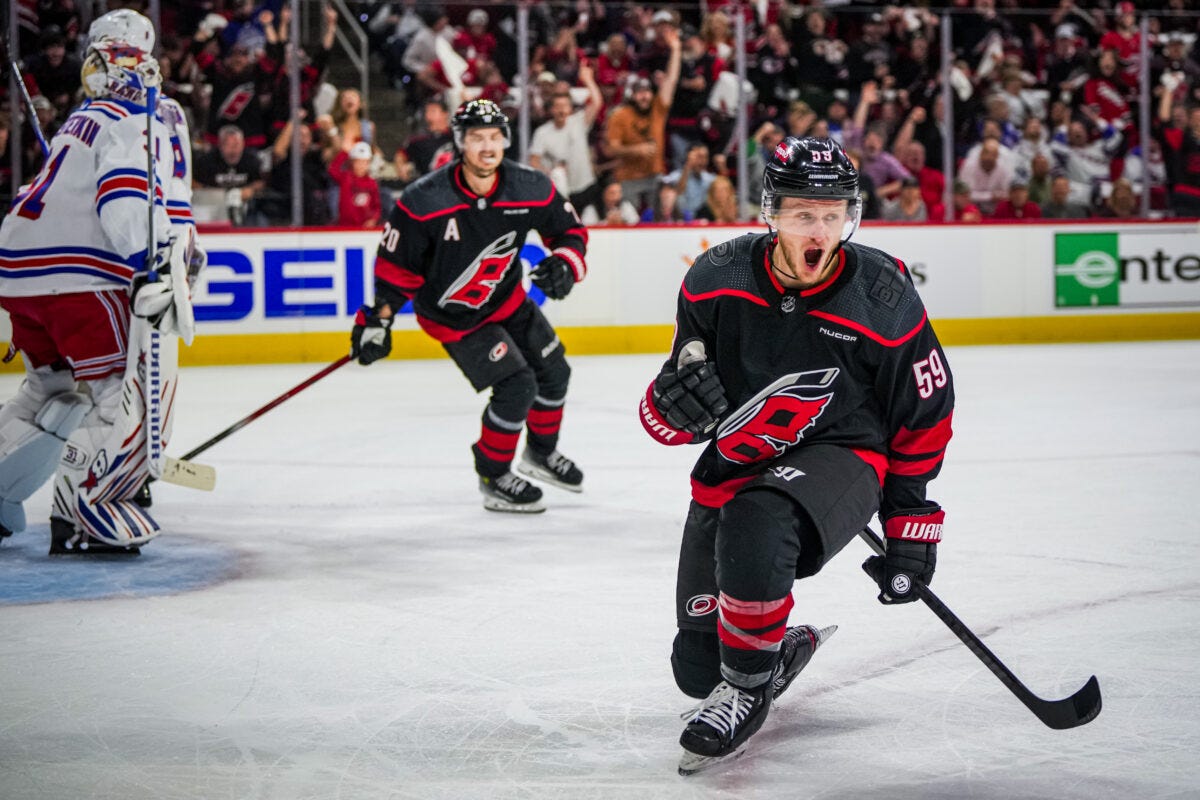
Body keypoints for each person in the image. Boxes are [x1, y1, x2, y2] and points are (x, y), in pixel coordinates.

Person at [638, 136, 954, 772]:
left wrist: (911, 525)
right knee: (699, 669)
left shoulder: (882, 295)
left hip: (846, 452)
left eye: (833, 214)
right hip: (742, 457)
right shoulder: (714, 280)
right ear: (772, 213)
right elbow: (687, 392)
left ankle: (751, 688)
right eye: (804, 214)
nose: (820, 229)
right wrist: (665, 411)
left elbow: (925, 411)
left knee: (759, 522)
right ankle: (772, 652)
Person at [0, 9, 202, 555]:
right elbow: (126, 193)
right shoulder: (144, 115)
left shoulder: (80, 119)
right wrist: (151, 261)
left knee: (49, 387)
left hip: (18, 273)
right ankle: (88, 506)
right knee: (117, 387)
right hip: (77, 277)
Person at [350, 100, 589, 513]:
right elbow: (394, 269)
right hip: (454, 319)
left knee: (555, 372)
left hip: (508, 300)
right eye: (477, 138)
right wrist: (378, 321)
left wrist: (566, 264)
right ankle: (494, 475)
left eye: (495, 137)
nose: (487, 147)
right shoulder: (424, 200)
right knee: (517, 386)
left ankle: (540, 453)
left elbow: (569, 231)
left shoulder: (529, 186)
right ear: (461, 142)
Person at [604, 25, 682, 213]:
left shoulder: (657, 108)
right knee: (628, 218)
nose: (645, 97)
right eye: (639, 93)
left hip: (654, 176)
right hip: (627, 178)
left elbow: (671, 81)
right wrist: (635, 150)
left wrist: (676, 49)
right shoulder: (620, 115)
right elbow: (610, 149)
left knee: (668, 206)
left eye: (647, 92)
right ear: (632, 96)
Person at [329, 141, 382, 228]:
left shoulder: (372, 183)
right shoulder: (346, 177)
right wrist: (345, 152)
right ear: (352, 162)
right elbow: (332, 170)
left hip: (364, 227)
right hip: (345, 226)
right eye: (358, 162)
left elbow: (376, 207)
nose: (361, 165)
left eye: (365, 162)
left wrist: (373, 219)